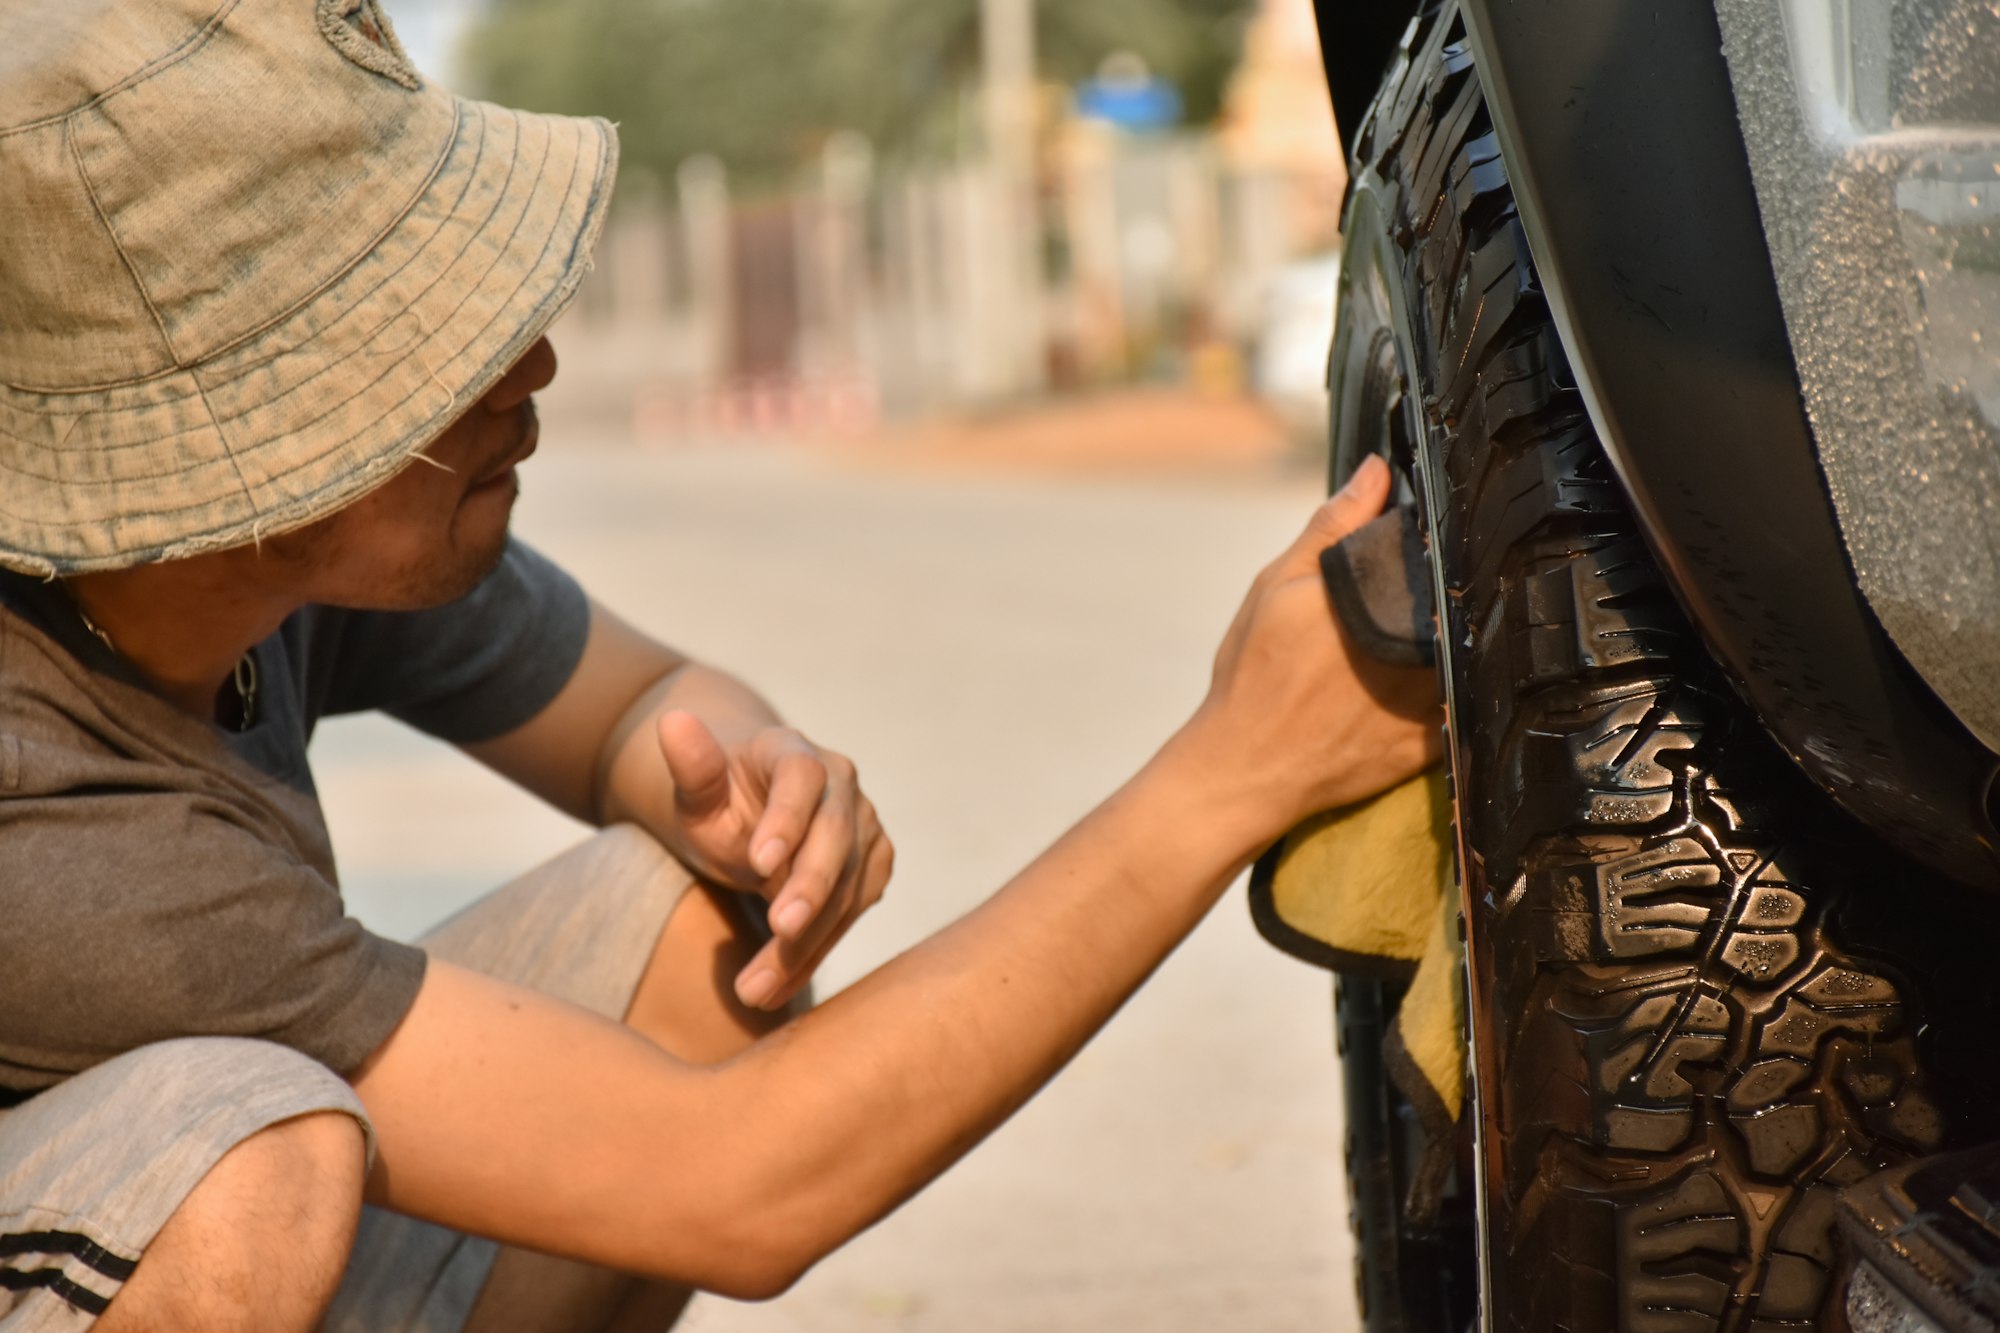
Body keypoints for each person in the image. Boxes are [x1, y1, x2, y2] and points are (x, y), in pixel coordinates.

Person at [0, 2, 1442, 1330]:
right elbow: (739, 1189)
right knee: (248, 1158)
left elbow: (638, 705)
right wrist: (1233, 769)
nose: (532, 366)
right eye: (418, 353)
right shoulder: (56, 840)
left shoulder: (248, 565)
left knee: (703, 922)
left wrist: (754, 779)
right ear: (235, 461)